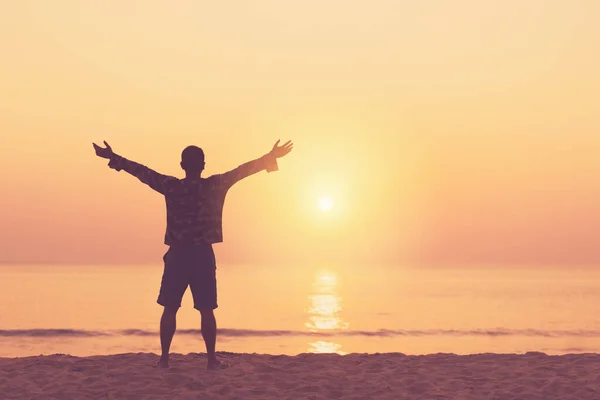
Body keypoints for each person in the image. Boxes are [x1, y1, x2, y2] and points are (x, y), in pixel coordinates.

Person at [93, 139, 293, 370]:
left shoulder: (171, 186)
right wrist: (270, 156)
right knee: (206, 309)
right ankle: (210, 360)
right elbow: (243, 171)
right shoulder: (215, 185)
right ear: (203, 165)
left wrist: (113, 157)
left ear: (182, 165)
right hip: (202, 255)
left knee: (170, 308)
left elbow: (143, 172)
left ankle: (165, 359)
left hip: (178, 255)